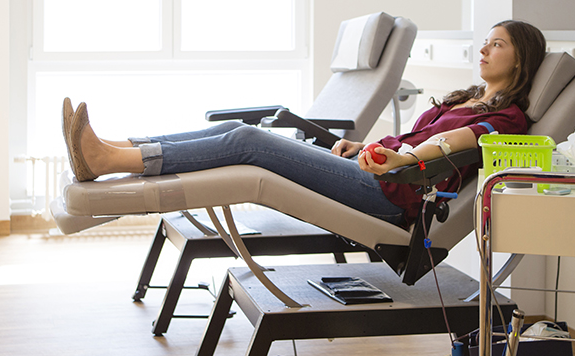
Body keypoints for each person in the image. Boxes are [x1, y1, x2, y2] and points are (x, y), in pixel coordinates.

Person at [63, 20, 546, 227]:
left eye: (497, 44)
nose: (483, 50)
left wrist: (401, 158)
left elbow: (449, 145)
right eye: (484, 41)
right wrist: (364, 147)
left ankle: (108, 159)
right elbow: (428, 134)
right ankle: (113, 146)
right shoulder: (469, 97)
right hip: (374, 171)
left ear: (521, 60)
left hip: (390, 195)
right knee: (233, 135)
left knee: (250, 139)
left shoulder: (506, 117)